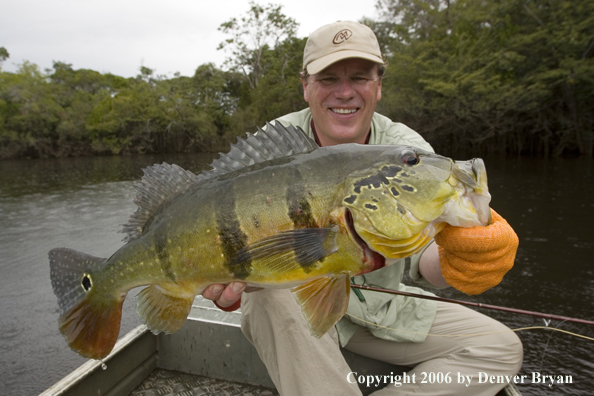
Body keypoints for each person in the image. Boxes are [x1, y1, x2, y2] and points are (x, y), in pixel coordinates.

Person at [203, 21, 523, 396]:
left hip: (381, 310)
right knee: (269, 298)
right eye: (328, 79)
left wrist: (463, 256)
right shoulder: (273, 151)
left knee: (498, 348)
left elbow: (424, 260)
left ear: (378, 86)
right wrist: (215, 276)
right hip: (296, 311)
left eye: (359, 77)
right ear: (305, 86)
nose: (345, 92)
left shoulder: (409, 154)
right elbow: (221, 231)